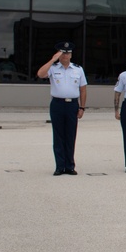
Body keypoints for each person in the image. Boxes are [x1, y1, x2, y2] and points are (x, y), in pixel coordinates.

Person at [36, 41, 87, 176]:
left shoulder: (78, 69)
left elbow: (83, 89)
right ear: (58, 54)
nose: (65, 55)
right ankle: (59, 166)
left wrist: (82, 107)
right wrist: (52, 59)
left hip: (72, 105)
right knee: (58, 136)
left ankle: (70, 166)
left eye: (68, 53)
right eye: (63, 53)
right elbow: (40, 74)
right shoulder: (53, 68)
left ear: (71, 54)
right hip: (57, 105)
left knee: (70, 135)